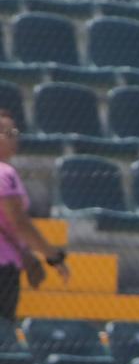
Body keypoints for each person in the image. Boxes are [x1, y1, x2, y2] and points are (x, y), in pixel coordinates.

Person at [0, 109, 67, 323]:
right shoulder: (5, 173)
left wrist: (27, 257)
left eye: (15, 133)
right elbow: (19, 223)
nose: (15, 138)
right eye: (8, 133)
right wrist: (53, 256)